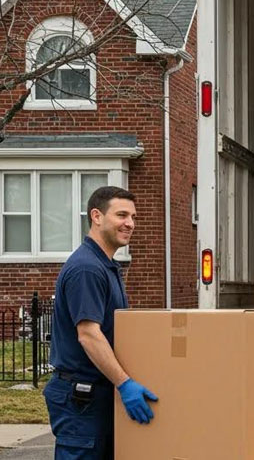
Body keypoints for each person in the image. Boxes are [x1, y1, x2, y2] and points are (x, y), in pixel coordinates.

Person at [44, 186, 158, 460]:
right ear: (96, 216)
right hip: (81, 399)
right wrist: (125, 383)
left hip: (98, 394)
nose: (130, 223)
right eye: (121, 215)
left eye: (133, 217)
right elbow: (88, 334)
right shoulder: (87, 268)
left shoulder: (105, 266)